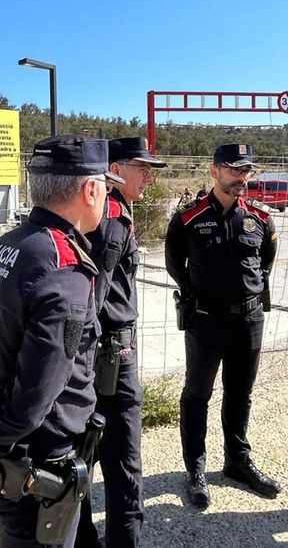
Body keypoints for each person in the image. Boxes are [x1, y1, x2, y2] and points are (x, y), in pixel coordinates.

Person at [0, 134, 124, 548]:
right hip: (36, 461)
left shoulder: (10, 244)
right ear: (90, 190)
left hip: (7, 450)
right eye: (105, 185)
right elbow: (35, 395)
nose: (107, 194)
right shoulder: (64, 270)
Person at [164, 143, 281, 510]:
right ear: (214, 171)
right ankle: (195, 470)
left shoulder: (261, 217)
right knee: (197, 395)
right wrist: (200, 294)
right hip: (206, 320)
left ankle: (236, 461)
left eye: (246, 170)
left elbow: (266, 261)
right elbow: (174, 265)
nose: (241, 177)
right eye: (234, 169)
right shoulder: (188, 218)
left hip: (248, 319)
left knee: (240, 394)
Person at [74, 137, 166, 548]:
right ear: (114, 168)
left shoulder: (110, 211)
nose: (148, 176)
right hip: (110, 354)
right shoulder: (111, 219)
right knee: (123, 463)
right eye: (141, 167)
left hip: (100, 353)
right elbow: (90, 302)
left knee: (86, 453)